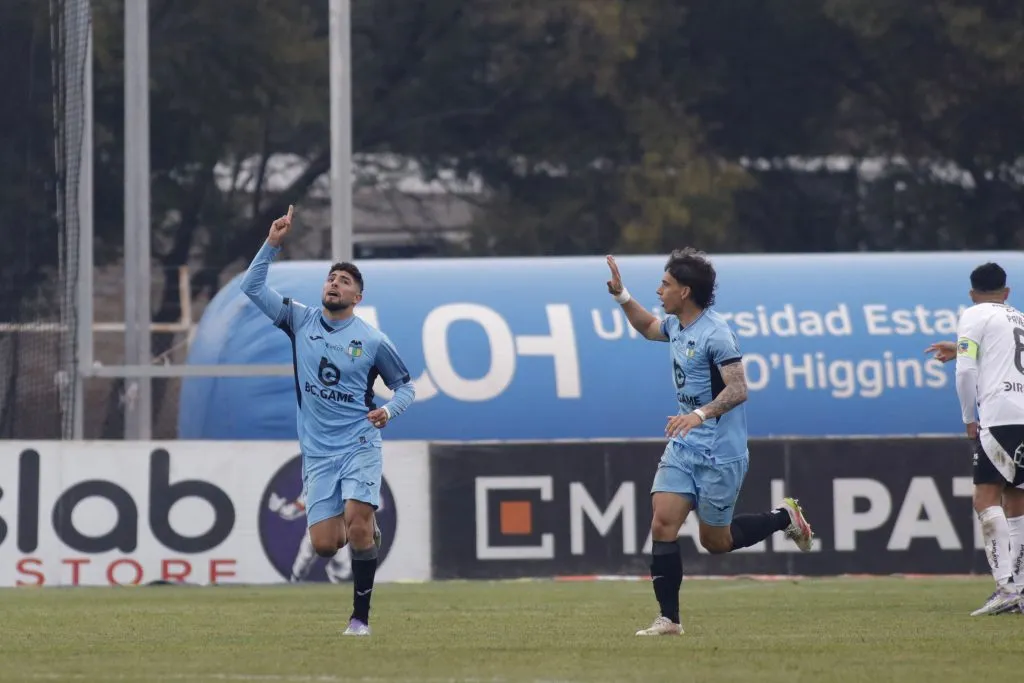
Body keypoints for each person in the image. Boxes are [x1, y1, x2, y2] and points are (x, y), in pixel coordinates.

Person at [605, 249, 814, 636]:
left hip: (720, 452)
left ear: (684, 291)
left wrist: (698, 414)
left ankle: (785, 517)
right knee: (663, 521)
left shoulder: (716, 333)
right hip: (684, 445)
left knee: (715, 542)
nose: (659, 290)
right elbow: (647, 326)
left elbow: (739, 389)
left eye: (665, 284)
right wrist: (621, 296)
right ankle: (669, 619)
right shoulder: (677, 325)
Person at [241, 205, 416, 636]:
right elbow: (251, 287)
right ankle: (362, 535)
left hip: (359, 440)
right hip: (318, 453)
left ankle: (360, 619)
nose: (334, 284)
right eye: (331, 278)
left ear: (357, 297)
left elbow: (407, 387)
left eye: (345, 281)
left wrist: (388, 410)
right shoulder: (300, 320)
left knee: (358, 520)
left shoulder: (372, 340)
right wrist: (272, 244)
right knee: (324, 545)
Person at [925, 262, 1024, 615]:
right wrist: (961, 347)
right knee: (1016, 499)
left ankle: (1005, 588)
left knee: (985, 499)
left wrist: (970, 418)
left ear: (972, 293)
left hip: (999, 416)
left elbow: (965, 371)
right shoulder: (1018, 317)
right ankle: (1021, 589)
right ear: (1007, 292)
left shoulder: (974, 314)